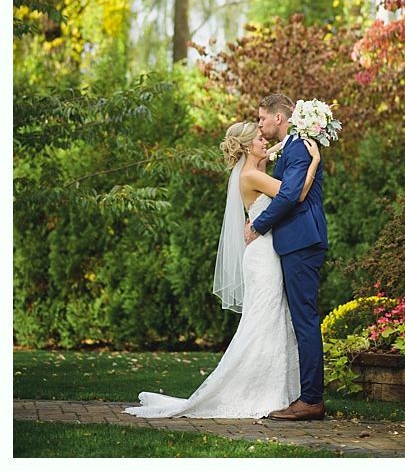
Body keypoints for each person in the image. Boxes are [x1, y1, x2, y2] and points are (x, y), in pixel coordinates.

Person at [124, 121, 320, 418]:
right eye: (258, 140)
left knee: (271, 320)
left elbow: (274, 154)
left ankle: (277, 390)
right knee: (264, 321)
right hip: (264, 257)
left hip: (266, 250)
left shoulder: (253, 170)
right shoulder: (252, 175)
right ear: (246, 148)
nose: (264, 141)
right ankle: (259, 391)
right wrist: (314, 163)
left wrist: (284, 143)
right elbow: (294, 194)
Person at [247, 93, 329, 421]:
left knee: (305, 320)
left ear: (278, 118)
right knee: (301, 319)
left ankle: (311, 400)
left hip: (301, 241)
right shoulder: (293, 145)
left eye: (262, 118)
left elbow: (290, 195)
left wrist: (258, 225)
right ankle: (306, 395)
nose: (260, 124)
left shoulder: (297, 146)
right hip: (296, 241)